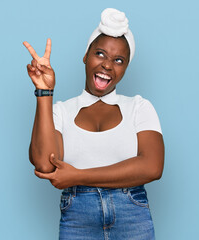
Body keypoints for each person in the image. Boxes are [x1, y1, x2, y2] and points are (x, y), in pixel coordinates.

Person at [23, 8, 164, 240]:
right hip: (78, 219)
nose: (108, 65)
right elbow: (45, 165)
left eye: (118, 60)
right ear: (85, 56)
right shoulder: (60, 111)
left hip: (132, 216)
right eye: (100, 54)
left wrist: (77, 176)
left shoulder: (139, 107)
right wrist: (44, 91)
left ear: (125, 68)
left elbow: (152, 166)